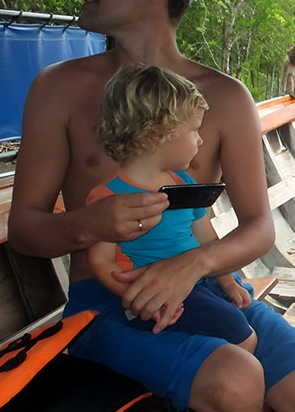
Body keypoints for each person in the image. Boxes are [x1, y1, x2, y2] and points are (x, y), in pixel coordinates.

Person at [7, 0, 295, 412]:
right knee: (236, 384)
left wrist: (193, 267)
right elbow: (25, 231)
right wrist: (89, 224)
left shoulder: (224, 97)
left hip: (208, 288)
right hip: (111, 302)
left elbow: (259, 228)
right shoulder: (59, 88)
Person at [87, 63, 255, 352]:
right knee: (244, 335)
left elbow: (207, 239)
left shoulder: (183, 182)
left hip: (197, 283)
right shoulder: (108, 196)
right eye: (193, 130)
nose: (201, 140)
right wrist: (139, 299)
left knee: (238, 318)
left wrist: (228, 284)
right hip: (156, 294)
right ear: (158, 133)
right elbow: (102, 262)